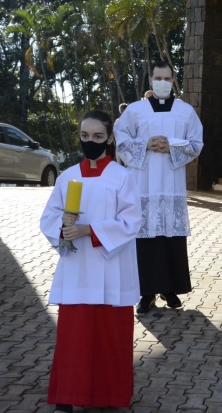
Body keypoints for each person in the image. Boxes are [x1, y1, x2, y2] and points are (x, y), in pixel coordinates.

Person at [40, 110, 142, 412]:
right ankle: (68, 394)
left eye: (97, 137)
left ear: (109, 138)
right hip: (78, 268)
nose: (90, 142)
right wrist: (63, 225)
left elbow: (132, 220)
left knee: (111, 336)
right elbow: (49, 217)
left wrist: (89, 230)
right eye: (85, 136)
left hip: (112, 268)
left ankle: (110, 394)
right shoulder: (68, 176)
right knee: (75, 336)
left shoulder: (122, 177)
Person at [114, 61, 204, 314]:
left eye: (167, 78)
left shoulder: (185, 111)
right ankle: (146, 293)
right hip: (143, 184)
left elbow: (196, 142)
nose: (163, 82)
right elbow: (121, 139)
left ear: (174, 81)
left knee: (170, 237)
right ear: (151, 81)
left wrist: (172, 146)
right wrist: (145, 144)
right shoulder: (135, 110)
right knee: (146, 239)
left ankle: (171, 289)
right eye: (158, 78)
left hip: (172, 185)